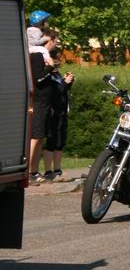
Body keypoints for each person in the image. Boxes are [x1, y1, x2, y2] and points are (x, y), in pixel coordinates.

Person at [28, 29, 60, 183]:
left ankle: (34, 172)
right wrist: (50, 67)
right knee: (35, 137)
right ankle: (28, 172)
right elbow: (38, 79)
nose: (57, 43)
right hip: (38, 102)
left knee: (40, 138)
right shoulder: (37, 56)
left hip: (45, 103)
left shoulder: (45, 56)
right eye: (56, 40)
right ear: (50, 40)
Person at [43, 49, 74, 181]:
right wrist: (64, 82)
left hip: (62, 112)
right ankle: (48, 171)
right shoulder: (48, 75)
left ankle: (57, 170)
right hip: (53, 113)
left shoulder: (57, 74)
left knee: (60, 142)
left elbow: (62, 90)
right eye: (57, 59)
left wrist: (68, 83)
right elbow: (54, 92)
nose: (59, 61)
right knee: (51, 142)